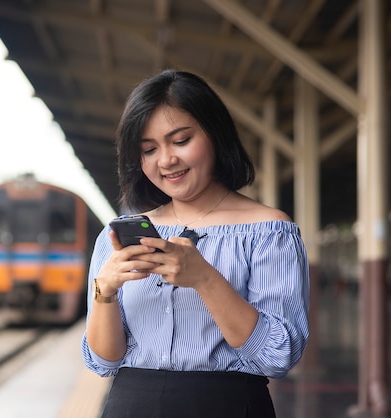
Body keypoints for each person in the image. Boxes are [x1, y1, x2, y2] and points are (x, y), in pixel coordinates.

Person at [81, 69, 310, 418]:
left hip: (227, 406)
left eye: (181, 140)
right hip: (130, 405)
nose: (166, 160)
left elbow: (278, 356)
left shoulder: (269, 231)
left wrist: (204, 278)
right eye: (148, 149)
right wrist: (105, 291)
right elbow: (103, 360)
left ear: (215, 134)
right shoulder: (117, 237)